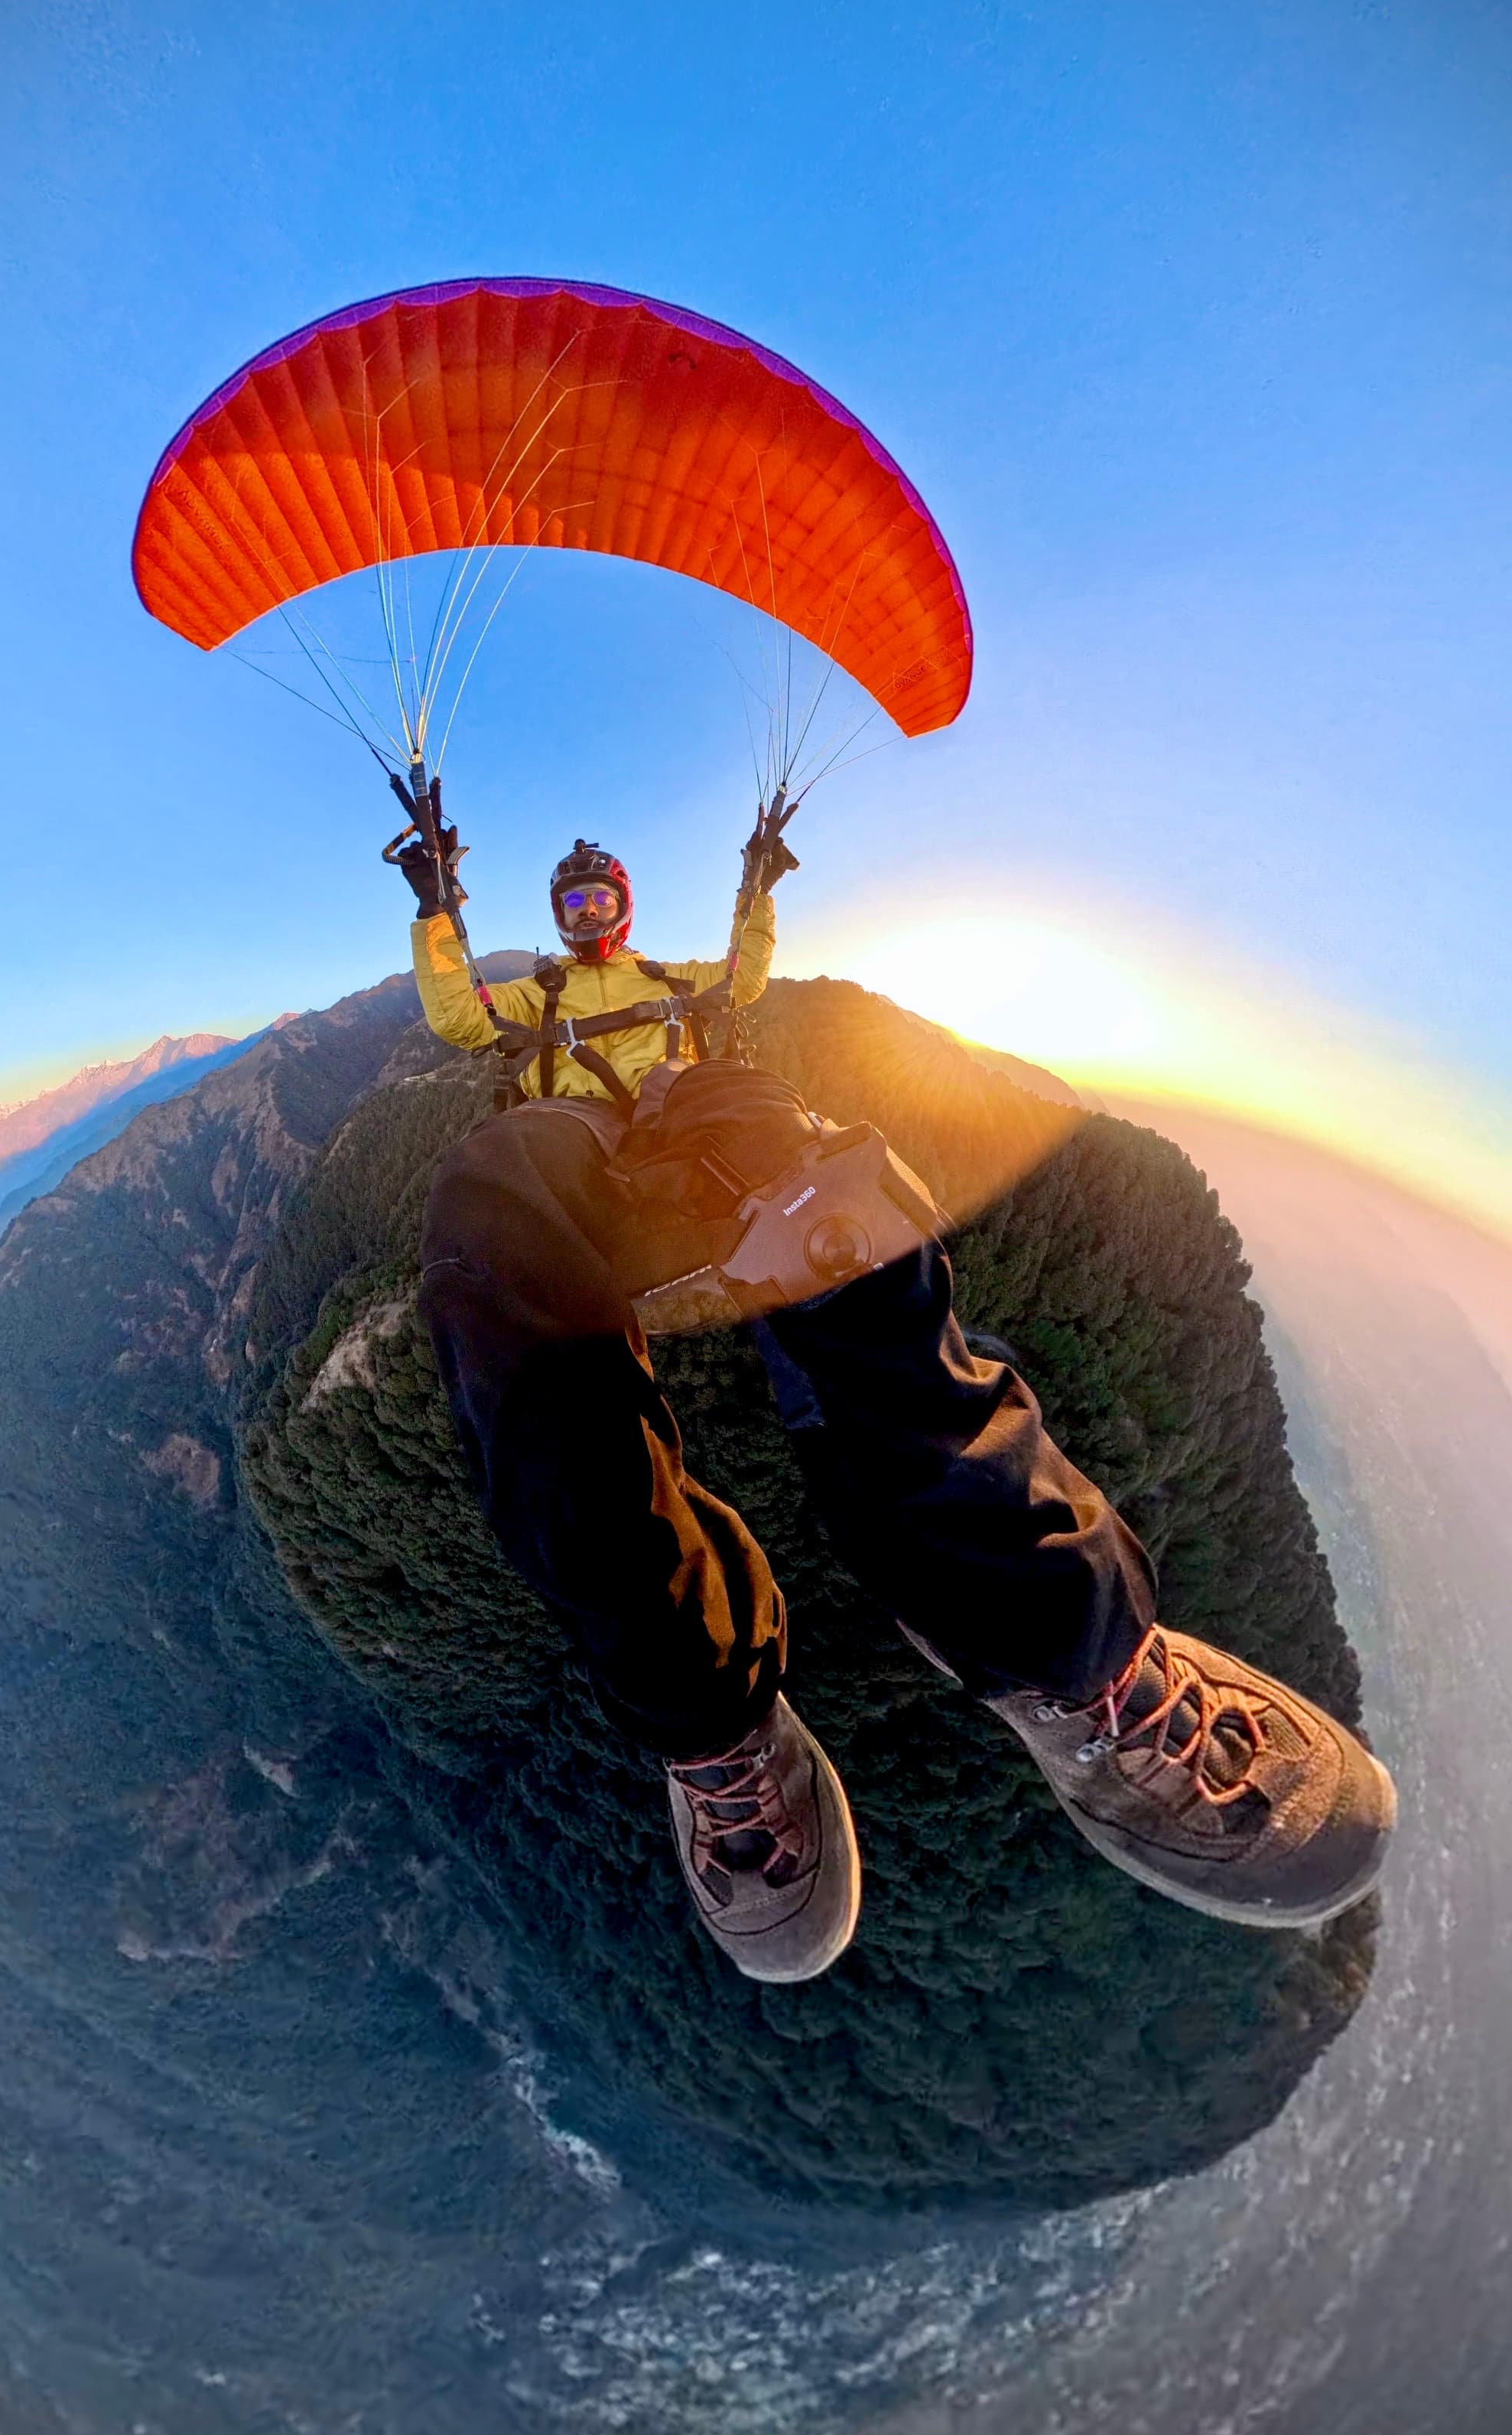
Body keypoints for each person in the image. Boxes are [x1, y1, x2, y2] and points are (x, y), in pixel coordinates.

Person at [402, 802, 1396, 1985]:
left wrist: (758, 882)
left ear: (623, 904)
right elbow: (464, 1016)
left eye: (600, 901)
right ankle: (721, 1716)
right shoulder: (544, 1005)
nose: (589, 921)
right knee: (488, 1193)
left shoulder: (675, 981)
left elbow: (745, 977)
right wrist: (437, 913)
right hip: (581, 1165)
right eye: (573, 909)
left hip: (689, 1143)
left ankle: (1072, 1656)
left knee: (782, 1130)